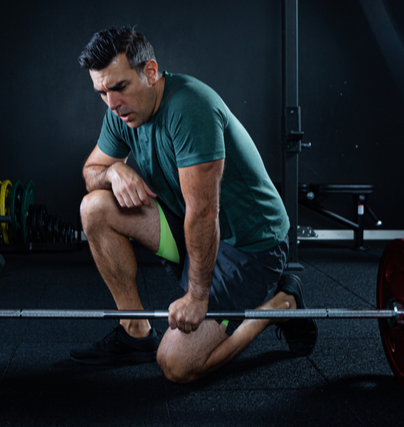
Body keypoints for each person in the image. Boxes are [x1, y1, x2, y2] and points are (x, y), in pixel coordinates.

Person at [70, 26, 318, 383]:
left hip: (250, 246)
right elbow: (93, 170)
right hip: (193, 231)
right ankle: (134, 331)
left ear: (150, 72)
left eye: (120, 87)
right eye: (102, 92)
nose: (111, 103)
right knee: (94, 207)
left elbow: (205, 212)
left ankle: (279, 305)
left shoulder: (190, 108)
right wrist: (114, 173)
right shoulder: (122, 113)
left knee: (176, 363)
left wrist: (197, 298)